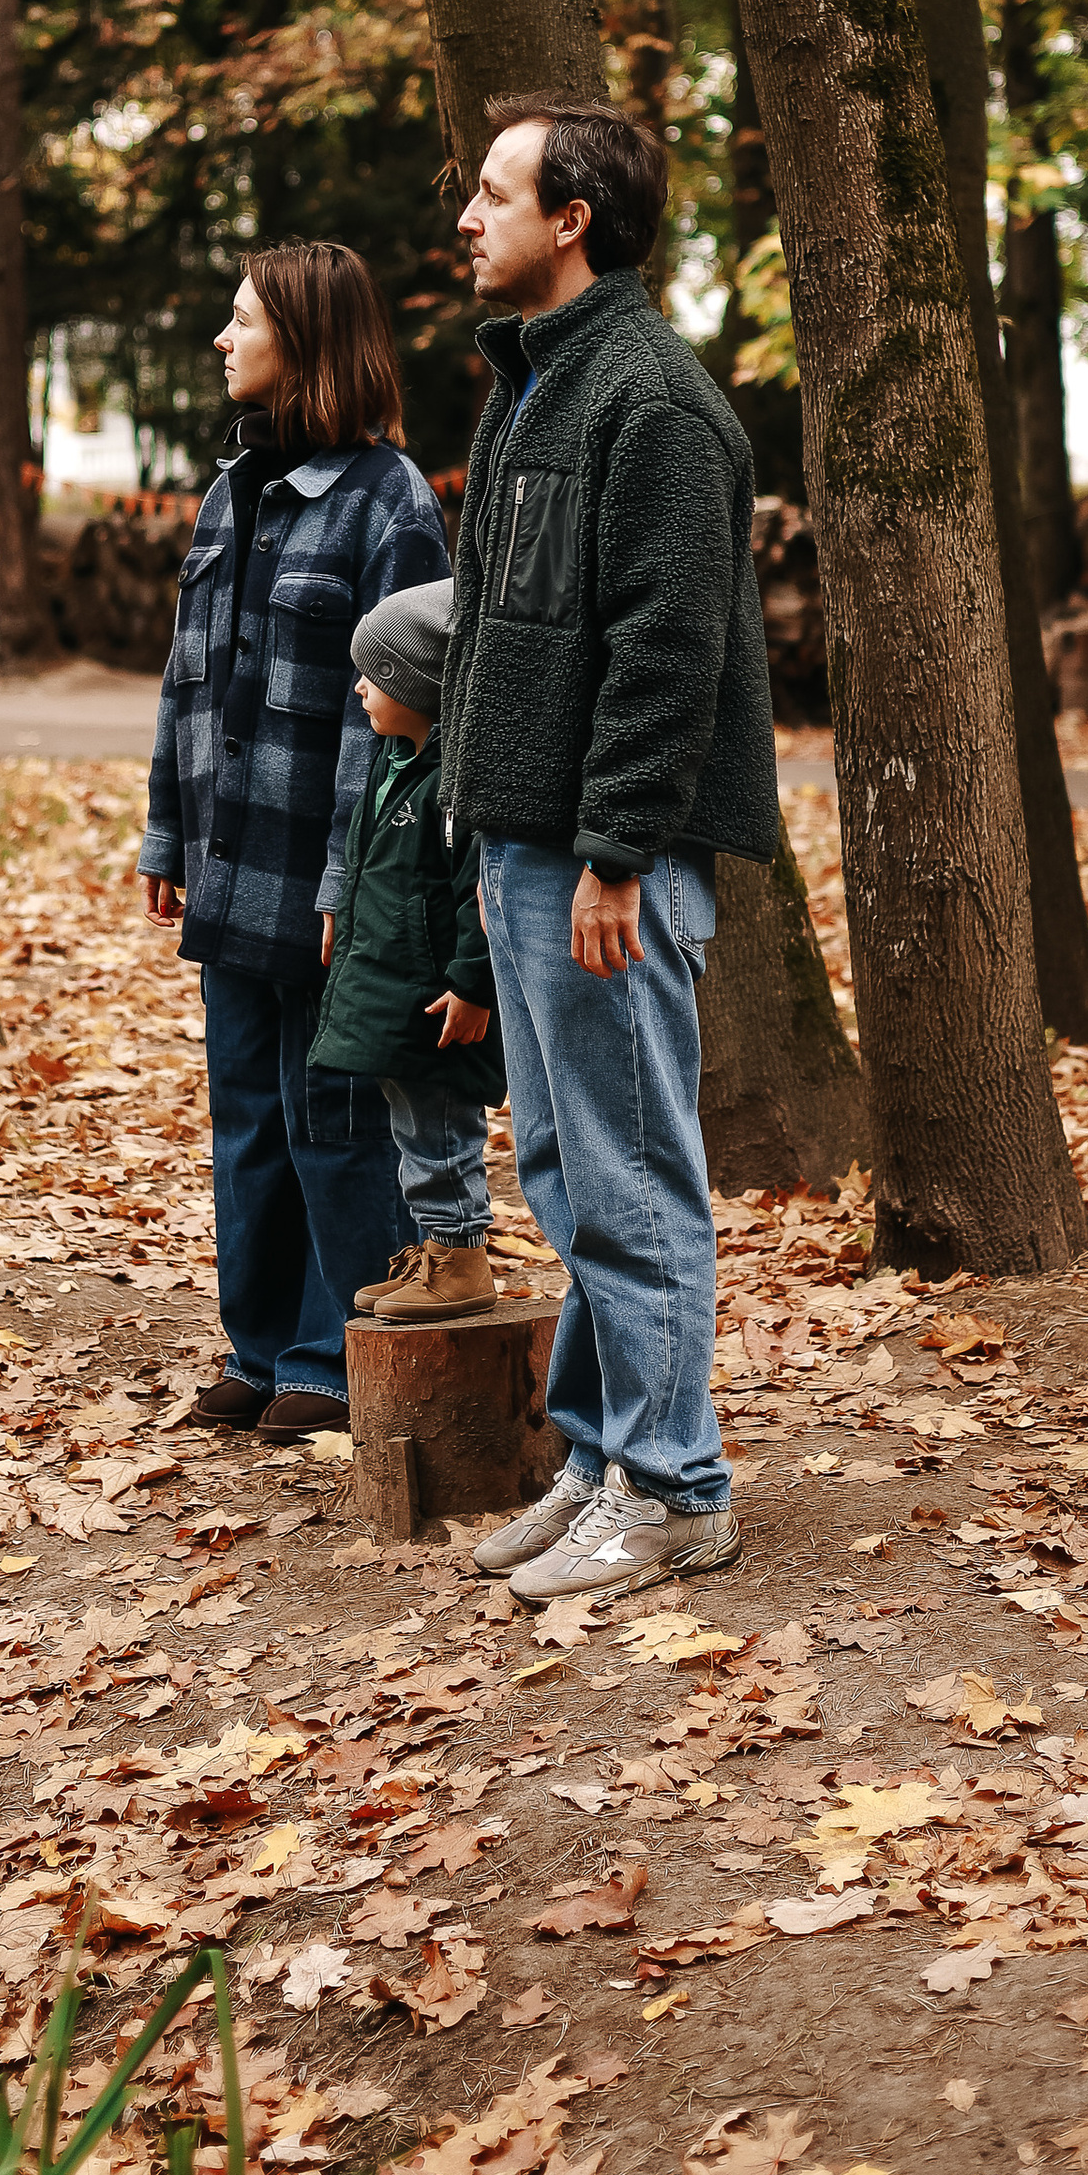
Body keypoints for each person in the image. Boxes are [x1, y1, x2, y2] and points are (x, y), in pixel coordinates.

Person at [439, 99, 780, 1601]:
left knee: (635, 1177)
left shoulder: (655, 402)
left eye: (494, 193)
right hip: (530, 849)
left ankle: (679, 1489)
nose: (468, 215)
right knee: (575, 1171)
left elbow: (669, 648)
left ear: (572, 219)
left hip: (607, 865)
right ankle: (601, 1458)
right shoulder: (527, 389)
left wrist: (617, 851)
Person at [141, 242, 448, 1440]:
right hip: (231, 874)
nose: (223, 340)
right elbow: (186, 683)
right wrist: (167, 836)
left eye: (241, 320)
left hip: (329, 886)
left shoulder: (391, 502)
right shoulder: (229, 495)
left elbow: (399, 723)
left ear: (306, 341)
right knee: (246, 1120)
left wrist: (352, 879)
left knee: (334, 1118)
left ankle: (335, 1351)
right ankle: (260, 1348)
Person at [312, 578, 506, 1324]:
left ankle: (460, 1257)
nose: (361, 687)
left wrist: (472, 982)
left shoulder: (454, 788)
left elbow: (476, 894)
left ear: (423, 686)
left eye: (379, 675)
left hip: (435, 996)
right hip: (398, 988)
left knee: (439, 1125)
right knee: (411, 1123)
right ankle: (432, 1248)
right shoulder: (395, 766)